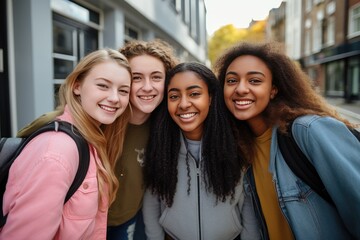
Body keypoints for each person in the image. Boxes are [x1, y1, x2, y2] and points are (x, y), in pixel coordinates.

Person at [213, 41, 360, 239]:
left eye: (255, 81)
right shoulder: (241, 149)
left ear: (273, 89)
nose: (240, 89)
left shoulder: (308, 131)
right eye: (231, 81)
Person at [0, 48, 132, 239]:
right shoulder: (57, 151)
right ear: (77, 86)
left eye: (123, 90)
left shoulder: (91, 136)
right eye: (103, 86)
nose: (114, 98)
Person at [142, 62, 260, 240]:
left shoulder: (236, 146)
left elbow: (248, 204)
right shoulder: (161, 147)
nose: (183, 104)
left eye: (194, 94)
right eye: (174, 96)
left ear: (211, 97)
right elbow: (152, 203)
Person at [106, 39, 179, 240]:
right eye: (136, 78)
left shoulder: (167, 128)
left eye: (156, 77)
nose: (147, 87)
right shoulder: (102, 119)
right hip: (83, 224)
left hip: (128, 223)